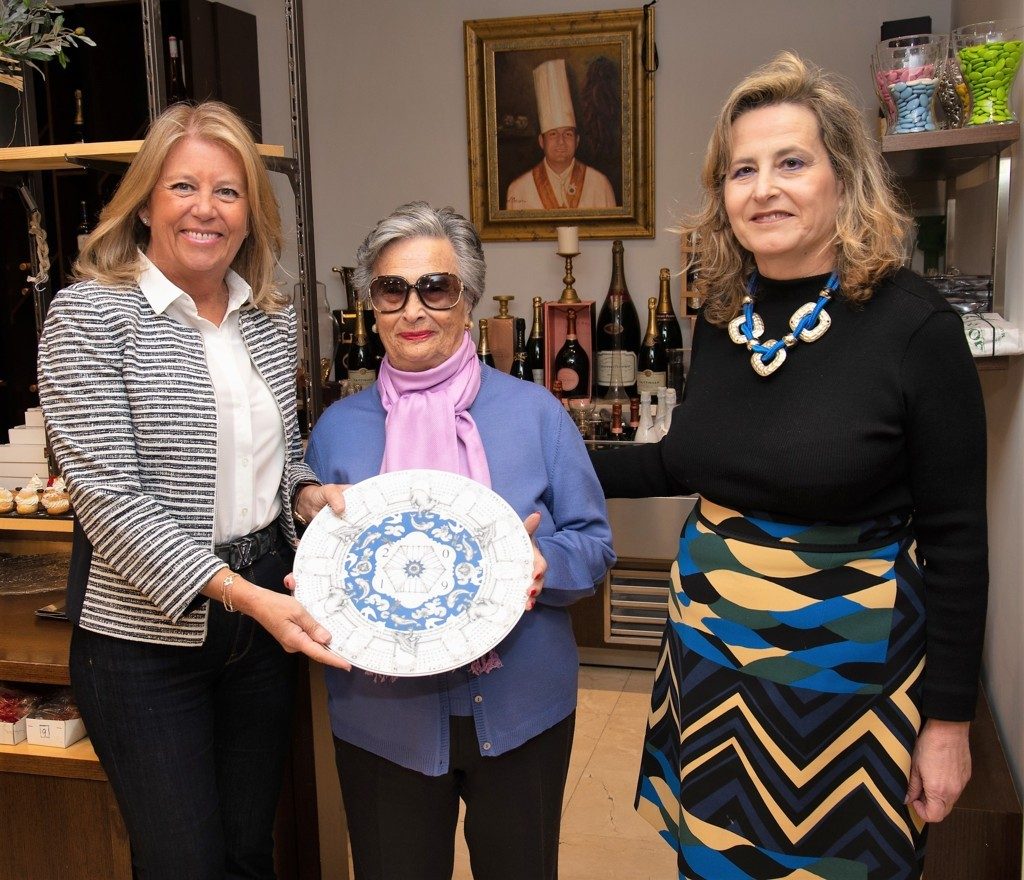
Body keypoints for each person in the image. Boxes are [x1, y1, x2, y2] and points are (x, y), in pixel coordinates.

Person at [591, 53, 987, 880]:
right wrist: (541, 462)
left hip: (844, 676)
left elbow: (958, 540)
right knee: (715, 863)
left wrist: (949, 722)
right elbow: (687, 462)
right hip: (711, 653)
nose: (763, 189)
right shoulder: (721, 316)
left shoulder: (916, 329)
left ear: (844, 179)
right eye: (743, 170)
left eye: (792, 163)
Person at [37, 101, 349, 880]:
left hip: (260, 624)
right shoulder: (89, 315)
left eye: (228, 191)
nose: (205, 208)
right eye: (183, 186)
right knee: (184, 863)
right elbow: (108, 501)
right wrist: (243, 596)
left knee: (249, 850)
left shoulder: (267, 317)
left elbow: (279, 456)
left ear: (250, 215)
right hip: (143, 642)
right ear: (145, 203)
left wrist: (306, 495)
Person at [304, 201, 615, 880]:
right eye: (392, 289)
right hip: (382, 721)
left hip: (522, 707)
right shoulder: (337, 430)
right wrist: (316, 584)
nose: (413, 309)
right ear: (372, 307)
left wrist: (542, 563)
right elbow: (311, 554)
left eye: (436, 288)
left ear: (468, 300)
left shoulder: (536, 415)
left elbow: (594, 544)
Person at [505, 59, 617, 210]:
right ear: (541, 141)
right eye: (553, 134)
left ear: (577, 140)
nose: (561, 142)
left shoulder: (600, 185)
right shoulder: (518, 189)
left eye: (568, 134)